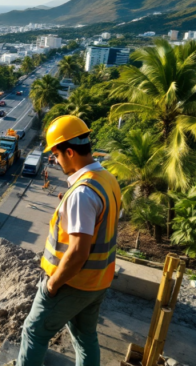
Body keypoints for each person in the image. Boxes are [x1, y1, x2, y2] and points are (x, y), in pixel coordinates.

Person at [15, 115, 121, 366]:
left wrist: (52, 286)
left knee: (34, 333)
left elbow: (78, 252)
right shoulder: (107, 179)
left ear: (70, 152)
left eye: (57, 154)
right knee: (85, 337)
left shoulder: (82, 193)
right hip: (98, 282)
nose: (55, 159)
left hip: (72, 283)